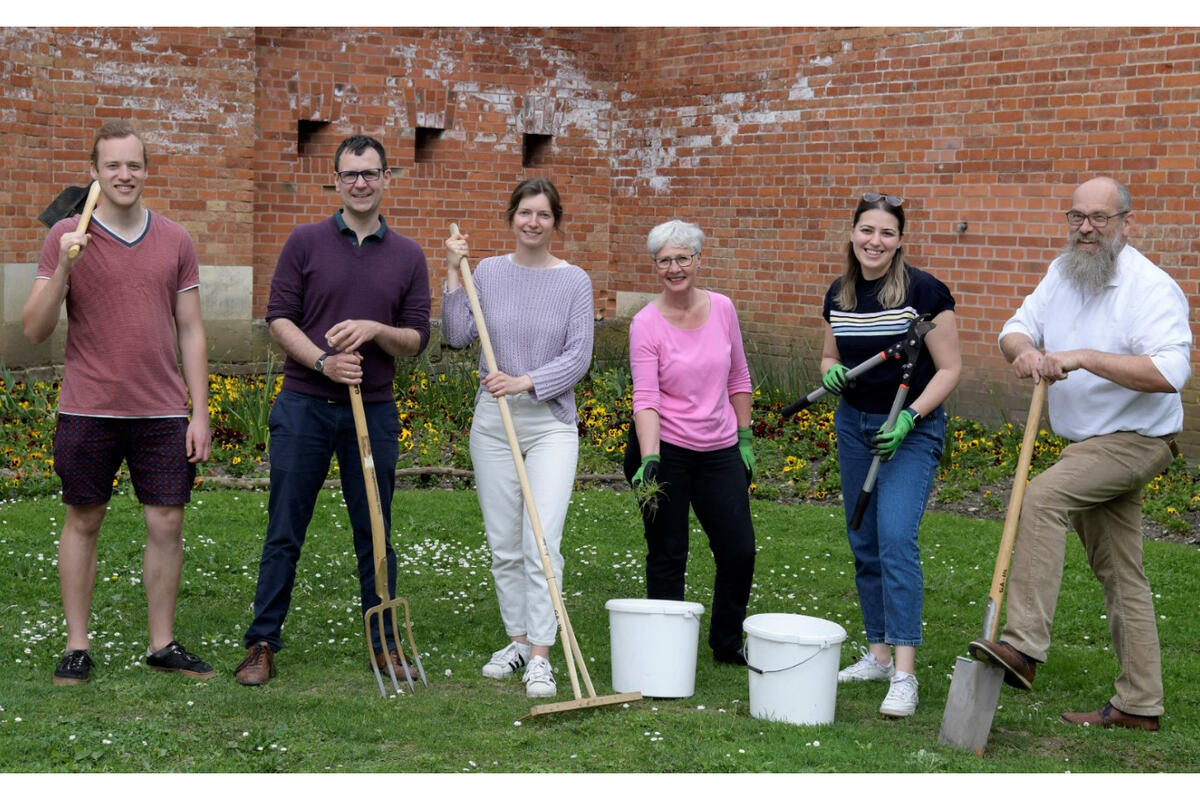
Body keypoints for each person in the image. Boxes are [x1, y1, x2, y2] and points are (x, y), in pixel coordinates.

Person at [969, 177, 1191, 732]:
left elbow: (1170, 372)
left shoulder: (1150, 288)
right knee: (1121, 573)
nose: (1086, 228)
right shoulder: (1062, 273)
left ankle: (1021, 644)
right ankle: (1140, 704)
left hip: (1137, 440)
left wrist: (1085, 357)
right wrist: (1023, 353)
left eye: (1099, 217)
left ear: (1125, 224)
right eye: (1076, 217)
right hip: (1085, 442)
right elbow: (1016, 328)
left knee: (1040, 497)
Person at [234, 135, 431, 686]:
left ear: (386, 178)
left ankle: (385, 644)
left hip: (373, 412)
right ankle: (262, 641)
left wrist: (374, 330)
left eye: (370, 173)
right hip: (305, 407)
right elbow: (279, 317)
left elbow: (417, 338)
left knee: (375, 528)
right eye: (350, 175)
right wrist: (323, 362)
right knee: (285, 528)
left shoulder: (408, 255)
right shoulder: (304, 242)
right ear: (337, 182)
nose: (361, 183)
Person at [23, 120, 214, 685]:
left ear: (146, 170)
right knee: (84, 519)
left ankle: (162, 643)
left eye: (134, 165)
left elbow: (193, 331)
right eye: (113, 166)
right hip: (89, 408)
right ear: (95, 173)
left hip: (160, 411)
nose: (124, 175)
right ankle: (77, 645)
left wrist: (199, 411)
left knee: (167, 522)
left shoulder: (175, 239)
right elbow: (34, 329)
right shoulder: (65, 234)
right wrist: (64, 265)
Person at [442, 178, 594, 699]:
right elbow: (459, 334)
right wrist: (452, 273)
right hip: (494, 422)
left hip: (549, 421)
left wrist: (525, 380)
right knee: (505, 543)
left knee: (542, 542)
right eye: (525, 213)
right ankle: (516, 640)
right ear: (512, 217)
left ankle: (541, 656)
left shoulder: (575, 281)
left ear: (555, 222)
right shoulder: (488, 272)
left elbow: (579, 357)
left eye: (543, 215)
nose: (533, 223)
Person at [821, 193, 961, 718]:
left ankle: (904, 674)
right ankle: (877, 653)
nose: (874, 241)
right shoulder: (840, 292)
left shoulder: (924, 291)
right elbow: (831, 352)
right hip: (855, 426)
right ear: (852, 234)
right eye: (866, 230)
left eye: (885, 232)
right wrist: (827, 372)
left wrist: (910, 419)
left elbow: (949, 369)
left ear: (900, 239)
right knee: (864, 538)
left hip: (910, 428)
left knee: (897, 539)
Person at [622, 220, 757, 667]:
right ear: (654, 266)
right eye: (665, 260)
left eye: (683, 258)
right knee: (668, 550)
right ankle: (664, 646)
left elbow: (738, 376)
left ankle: (726, 642)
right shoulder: (645, 324)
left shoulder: (723, 309)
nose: (675, 268)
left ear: (700, 260)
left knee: (738, 549)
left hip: (719, 448)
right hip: (664, 447)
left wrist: (745, 436)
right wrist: (651, 456)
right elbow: (646, 397)